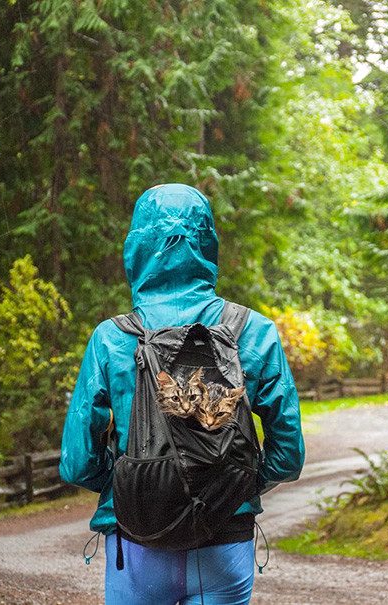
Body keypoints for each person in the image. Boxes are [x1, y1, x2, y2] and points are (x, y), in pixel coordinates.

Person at [59, 183, 306, 604]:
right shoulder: (254, 331)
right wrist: (236, 484)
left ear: (136, 247)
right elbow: (288, 457)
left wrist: (130, 481)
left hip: (136, 536)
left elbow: (78, 463)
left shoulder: (111, 339)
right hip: (226, 535)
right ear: (208, 243)